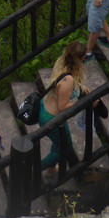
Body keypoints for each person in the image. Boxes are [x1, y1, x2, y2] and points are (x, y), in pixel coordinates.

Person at [38, 42, 89, 177]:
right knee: (65, 147)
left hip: (45, 108)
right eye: (84, 57)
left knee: (59, 141)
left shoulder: (61, 62)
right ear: (79, 59)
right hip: (51, 117)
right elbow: (63, 106)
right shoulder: (68, 81)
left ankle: (51, 169)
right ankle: (37, 169)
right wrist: (80, 102)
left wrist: (79, 86)